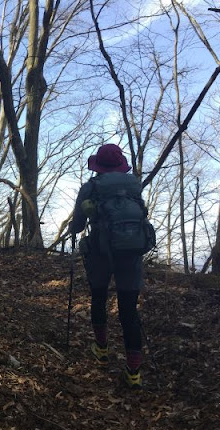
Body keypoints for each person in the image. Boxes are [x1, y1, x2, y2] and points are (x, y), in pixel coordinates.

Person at [69, 144, 145, 389]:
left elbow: (78, 226)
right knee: (128, 311)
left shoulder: (91, 187)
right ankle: (133, 371)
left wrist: (79, 223)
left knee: (99, 298)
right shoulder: (134, 186)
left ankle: (101, 350)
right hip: (132, 253)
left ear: (99, 166)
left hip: (102, 252)